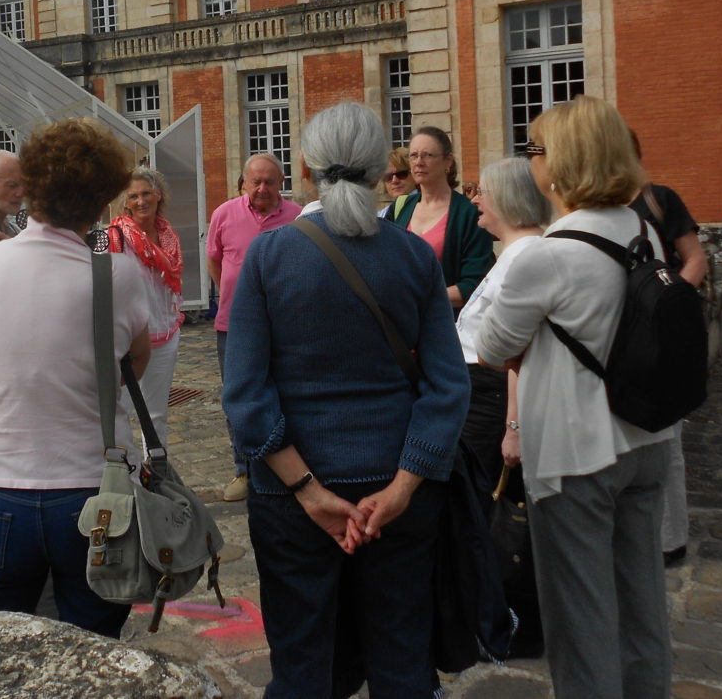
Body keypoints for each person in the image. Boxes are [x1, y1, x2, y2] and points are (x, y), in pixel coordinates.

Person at [223, 103, 469, 699]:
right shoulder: (414, 256)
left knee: (302, 665)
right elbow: (447, 385)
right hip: (397, 489)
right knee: (402, 662)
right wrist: (404, 486)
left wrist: (308, 490)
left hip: (291, 496)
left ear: (306, 168)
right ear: (381, 170)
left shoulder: (270, 256)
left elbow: (245, 391)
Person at [475, 95, 676, 698]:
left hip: (576, 453)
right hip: (646, 435)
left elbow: (491, 346)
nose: (530, 160)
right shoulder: (644, 232)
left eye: (534, 149)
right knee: (642, 603)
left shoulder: (548, 254)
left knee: (580, 618)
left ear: (561, 163)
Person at [0, 118, 150, 636]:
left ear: (31, 186)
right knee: (92, 643)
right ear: (102, 200)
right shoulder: (118, 272)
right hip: (91, 486)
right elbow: (135, 361)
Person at [629, 133, 708, 566]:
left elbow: (695, 259)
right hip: (622, 339)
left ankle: (670, 540)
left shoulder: (658, 200)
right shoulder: (592, 207)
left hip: (660, 333)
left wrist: (666, 305)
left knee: (667, 439)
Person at [206, 154, 302, 502]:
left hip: (284, 325)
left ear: (281, 183)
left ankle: (288, 469)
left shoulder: (297, 217)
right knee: (238, 398)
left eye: (269, 182)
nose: (262, 188)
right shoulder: (224, 214)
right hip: (233, 325)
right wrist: (232, 295)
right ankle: (244, 469)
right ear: (244, 182)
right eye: (255, 182)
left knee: (286, 394)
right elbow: (214, 258)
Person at [455, 157, 552, 491]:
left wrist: (514, 427)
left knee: (479, 490)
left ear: (508, 198)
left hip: (489, 395)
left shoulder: (526, 255)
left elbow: (520, 353)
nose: (475, 200)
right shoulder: (516, 252)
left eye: (483, 192)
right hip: (477, 388)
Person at [107, 166, 183, 448]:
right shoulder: (115, 237)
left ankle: (157, 470)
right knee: (121, 413)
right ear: (125, 202)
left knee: (157, 416)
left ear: (158, 194)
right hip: (129, 342)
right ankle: (124, 472)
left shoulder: (168, 235)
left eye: (146, 193)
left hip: (165, 336)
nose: (141, 201)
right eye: (134, 196)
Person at [386, 126, 495, 312]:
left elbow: (476, 285)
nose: (419, 162)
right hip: (402, 322)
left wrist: (420, 297)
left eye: (427, 155)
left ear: (448, 161)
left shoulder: (468, 214)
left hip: (446, 322)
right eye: (413, 155)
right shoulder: (400, 208)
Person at [377, 146, 413, 218]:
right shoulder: (381, 216)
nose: (394, 181)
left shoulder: (427, 208)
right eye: (388, 177)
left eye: (401, 174)